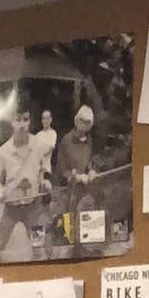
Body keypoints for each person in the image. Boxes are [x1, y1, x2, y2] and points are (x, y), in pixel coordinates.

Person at [0, 106, 45, 256]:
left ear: (29, 122)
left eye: (25, 120)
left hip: (33, 206)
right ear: (12, 122)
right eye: (18, 120)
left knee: (39, 248)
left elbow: (43, 168)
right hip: (11, 207)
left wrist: (44, 181)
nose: (22, 124)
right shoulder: (3, 151)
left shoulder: (38, 145)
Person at [51, 103, 98, 246]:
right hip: (68, 193)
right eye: (82, 121)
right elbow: (61, 169)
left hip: (85, 191)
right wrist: (75, 176)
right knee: (69, 234)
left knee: (86, 230)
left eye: (88, 122)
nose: (84, 125)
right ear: (76, 121)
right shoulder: (66, 140)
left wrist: (91, 170)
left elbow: (89, 160)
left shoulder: (89, 140)